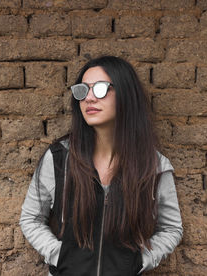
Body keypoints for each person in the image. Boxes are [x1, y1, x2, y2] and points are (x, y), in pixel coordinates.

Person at [20, 56, 183, 276]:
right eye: (82, 90)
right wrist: (62, 256)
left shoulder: (153, 166)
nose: (88, 98)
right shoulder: (60, 158)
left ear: (125, 94)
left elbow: (171, 228)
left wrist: (138, 262)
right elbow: (30, 219)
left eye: (100, 89)